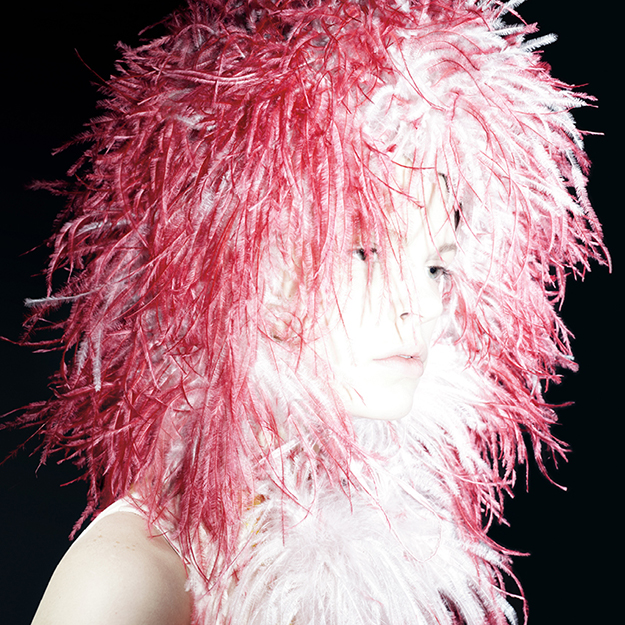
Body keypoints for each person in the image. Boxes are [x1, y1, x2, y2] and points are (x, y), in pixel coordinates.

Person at [15, 0, 604, 623]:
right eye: (365, 253)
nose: (421, 307)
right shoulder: (131, 575)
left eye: (437, 266)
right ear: (244, 258)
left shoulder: (386, 553)